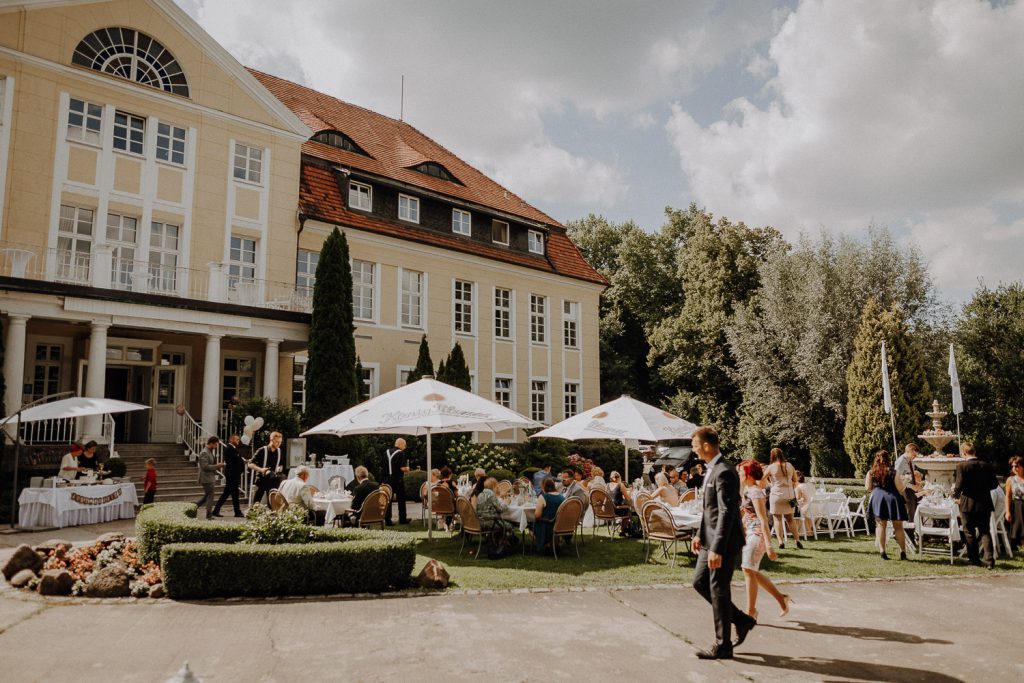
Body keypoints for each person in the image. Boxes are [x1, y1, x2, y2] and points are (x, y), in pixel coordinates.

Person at [690, 426, 756, 660]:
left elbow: (727, 512)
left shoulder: (725, 471)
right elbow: (709, 509)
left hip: (724, 542)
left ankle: (723, 646)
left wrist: (717, 548)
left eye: (695, 445)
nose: (693, 449)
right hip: (708, 539)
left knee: (719, 590)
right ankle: (741, 619)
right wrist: (699, 534)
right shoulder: (711, 469)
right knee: (699, 583)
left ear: (707, 446)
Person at [738, 459, 791, 621]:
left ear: (747, 474)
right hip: (750, 534)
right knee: (750, 570)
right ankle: (781, 598)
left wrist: (769, 546)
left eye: (740, 471)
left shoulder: (755, 492)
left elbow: (763, 519)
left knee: (748, 570)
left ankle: (750, 611)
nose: (738, 473)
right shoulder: (747, 489)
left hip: (758, 535)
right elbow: (746, 514)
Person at [953, 443, 998, 569]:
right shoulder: (986, 465)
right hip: (984, 503)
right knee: (985, 531)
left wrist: (955, 497)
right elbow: (994, 485)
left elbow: (959, 486)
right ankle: (989, 560)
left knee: (969, 532)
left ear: (963, 452)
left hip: (968, 503)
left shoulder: (962, 466)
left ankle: (974, 560)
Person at [866, 449, 908, 560]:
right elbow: (900, 488)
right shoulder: (894, 472)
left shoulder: (871, 472)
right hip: (892, 498)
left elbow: (868, 488)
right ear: (888, 459)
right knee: (898, 526)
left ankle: (882, 551)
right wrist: (905, 482)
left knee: (880, 526)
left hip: (878, 498)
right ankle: (903, 552)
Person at [764, 448, 803, 549]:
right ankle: (797, 539)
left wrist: (770, 484)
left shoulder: (771, 467)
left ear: (772, 455)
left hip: (776, 494)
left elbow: (761, 478)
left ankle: (781, 541)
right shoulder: (789, 465)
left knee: (777, 519)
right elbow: (795, 479)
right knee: (790, 519)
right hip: (789, 495)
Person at [212, 434, 244, 518]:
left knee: (232, 494)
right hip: (231, 474)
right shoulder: (228, 448)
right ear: (231, 439)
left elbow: (238, 459)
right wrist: (240, 459)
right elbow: (236, 459)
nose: (238, 441)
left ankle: (235, 512)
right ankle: (236, 512)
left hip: (234, 474)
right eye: (237, 439)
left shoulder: (233, 448)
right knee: (230, 494)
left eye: (238, 439)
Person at [248, 431, 284, 504]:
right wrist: (261, 470)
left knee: (272, 503)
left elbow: (281, 464)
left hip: (273, 479)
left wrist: (279, 468)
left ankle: (272, 515)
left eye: (280, 442)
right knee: (256, 502)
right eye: (277, 441)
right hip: (261, 479)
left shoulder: (280, 451)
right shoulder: (262, 450)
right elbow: (250, 464)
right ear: (271, 440)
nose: (279, 444)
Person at [476, 477, 516, 542]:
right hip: (490, 522)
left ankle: (497, 541)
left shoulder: (481, 494)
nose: (498, 488)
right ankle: (503, 543)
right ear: (494, 486)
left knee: (503, 524)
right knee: (510, 526)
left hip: (480, 522)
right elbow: (500, 509)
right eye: (497, 487)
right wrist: (506, 503)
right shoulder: (491, 494)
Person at [380, 437, 410, 525]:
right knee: (401, 499)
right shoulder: (401, 453)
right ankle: (402, 519)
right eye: (404, 445)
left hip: (386, 479)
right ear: (400, 444)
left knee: (388, 499)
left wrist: (382, 480)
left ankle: (388, 520)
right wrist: (407, 469)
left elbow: (381, 466)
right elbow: (402, 468)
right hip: (397, 479)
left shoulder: (386, 452)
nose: (405, 447)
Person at [196, 436, 224, 520]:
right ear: (211, 443)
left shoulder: (209, 451)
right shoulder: (204, 452)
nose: (216, 447)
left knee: (207, 496)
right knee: (210, 496)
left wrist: (217, 466)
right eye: (215, 445)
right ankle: (208, 515)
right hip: (206, 478)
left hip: (209, 477)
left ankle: (194, 506)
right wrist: (217, 466)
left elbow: (210, 464)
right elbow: (205, 466)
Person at [894, 443, 923, 522]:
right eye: (913, 455)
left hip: (912, 487)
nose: (914, 457)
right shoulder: (900, 462)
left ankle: (919, 527)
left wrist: (916, 482)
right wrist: (911, 486)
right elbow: (897, 477)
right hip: (905, 488)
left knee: (920, 504)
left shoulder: (911, 460)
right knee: (911, 510)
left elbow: (910, 474)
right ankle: (910, 530)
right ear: (909, 451)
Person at [533, 477, 564, 552]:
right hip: (560, 525)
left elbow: (537, 515)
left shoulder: (544, 497)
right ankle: (554, 543)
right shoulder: (561, 497)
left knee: (532, 523)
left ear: (543, 486)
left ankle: (545, 544)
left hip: (547, 525)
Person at [1005, 456, 1024, 551]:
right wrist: (1007, 511)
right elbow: (1007, 496)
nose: (1014, 468)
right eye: (1012, 466)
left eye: (1016, 466)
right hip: (1018, 507)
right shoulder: (1010, 480)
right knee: (1021, 532)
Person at [794, 470, 816, 537]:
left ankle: (808, 531)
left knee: (799, 513)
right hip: (816, 507)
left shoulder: (799, 487)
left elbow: (798, 499)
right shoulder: (811, 484)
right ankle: (809, 530)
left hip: (808, 508)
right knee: (803, 512)